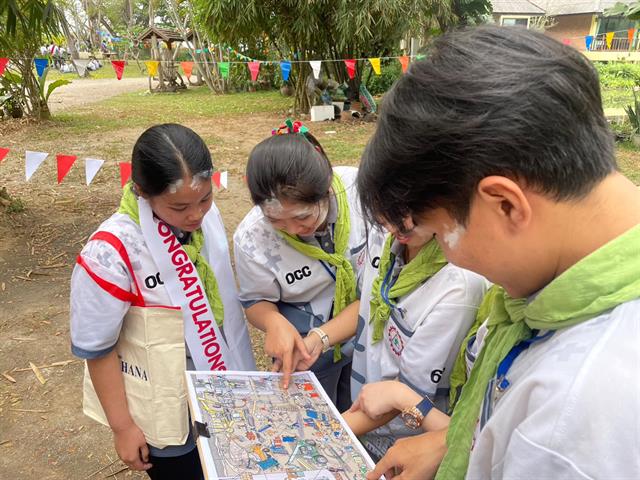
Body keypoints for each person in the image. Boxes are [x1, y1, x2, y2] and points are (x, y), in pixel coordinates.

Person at [359, 26, 640, 479]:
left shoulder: (577, 411)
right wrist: (456, 443)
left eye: (439, 233)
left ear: (505, 204)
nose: (450, 257)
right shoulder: (554, 300)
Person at [70, 124, 255, 479]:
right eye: (179, 206)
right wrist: (123, 427)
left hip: (217, 382)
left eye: (205, 198)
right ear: (141, 191)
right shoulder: (111, 253)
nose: (196, 215)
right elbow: (97, 347)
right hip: (163, 401)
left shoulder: (205, 222)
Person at [295, 216, 487, 461]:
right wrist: (319, 338)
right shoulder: (385, 237)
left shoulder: (459, 286)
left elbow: (407, 392)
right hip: (364, 419)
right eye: (384, 208)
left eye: (412, 209)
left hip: (405, 445)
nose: (397, 224)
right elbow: (368, 303)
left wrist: (325, 434)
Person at [233, 119, 368, 411]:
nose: (293, 230)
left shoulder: (361, 195)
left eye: (303, 217)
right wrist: (274, 322)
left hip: (368, 335)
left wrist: (325, 334)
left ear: (327, 188)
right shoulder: (252, 237)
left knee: (360, 412)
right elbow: (257, 301)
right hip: (305, 349)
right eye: (277, 222)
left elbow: (379, 287)